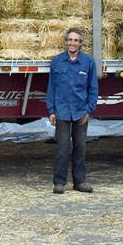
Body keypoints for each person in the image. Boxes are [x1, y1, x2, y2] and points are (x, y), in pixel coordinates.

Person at [46, 28, 98, 195]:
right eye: (70, 40)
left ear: (80, 43)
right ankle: (59, 183)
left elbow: (93, 89)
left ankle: (80, 182)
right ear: (66, 42)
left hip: (80, 113)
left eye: (76, 40)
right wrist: (51, 110)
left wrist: (89, 110)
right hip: (61, 111)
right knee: (62, 148)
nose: (72, 43)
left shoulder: (88, 62)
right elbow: (51, 87)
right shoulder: (57, 61)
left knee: (80, 147)